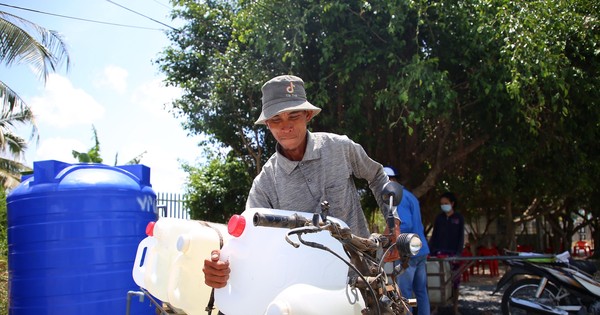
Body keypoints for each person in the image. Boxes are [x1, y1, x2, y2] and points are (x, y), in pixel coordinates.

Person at [203, 74, 390, 289]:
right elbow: (249, 239)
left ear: (308, 115)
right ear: (267, 124)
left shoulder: (340, 148)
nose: (286, 126)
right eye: (276, 119)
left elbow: (376, 175)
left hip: (365, 278)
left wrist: (393, 220)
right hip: (306, 290)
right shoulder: (265, 184)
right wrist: (221, 265)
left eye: (293, 116)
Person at [384, 166, 431, 315]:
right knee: (421, 292)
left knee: (404, 294)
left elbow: (405, 224)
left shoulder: (396, 197)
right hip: (420, 250)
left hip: (407, 252)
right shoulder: (410, 196)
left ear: (389, 181)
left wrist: (387, 239)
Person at [429, 191, 465, 315]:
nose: (443, 205)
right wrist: (430, 251)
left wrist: (458, 254)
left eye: (446, 203)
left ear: (452, 203)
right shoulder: (439, 218)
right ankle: (435, 308)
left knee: (455, 282)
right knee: (436, 280)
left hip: (453, 255)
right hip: (438, 254)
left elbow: (461, 238)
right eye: (442, 204)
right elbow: (434, 236)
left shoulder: (459, 218)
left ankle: (455, 308)